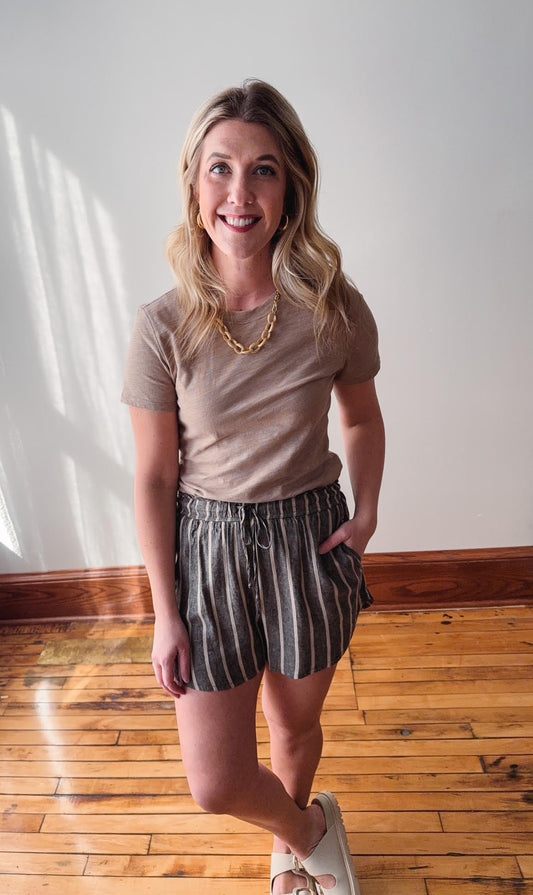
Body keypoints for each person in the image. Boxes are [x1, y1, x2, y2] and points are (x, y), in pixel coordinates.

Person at [122, 79, 385, 895]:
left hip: (308, 537)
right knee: (214, 778)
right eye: (221, 169)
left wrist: (367, 508)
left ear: (292, 186)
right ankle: (307, 831)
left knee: (293, 722)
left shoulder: (332, 307)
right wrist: (166, 610)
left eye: (264, 170)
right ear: (195, 184)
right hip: (206, 546)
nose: (240, 193)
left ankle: (293, 855)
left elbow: (363, 419)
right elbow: (155, 475)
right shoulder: (161, 326)